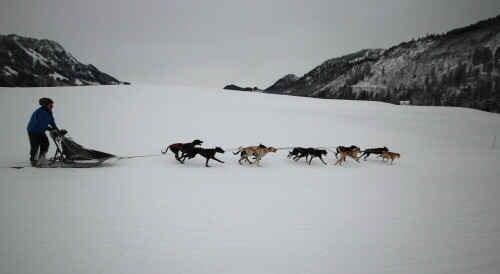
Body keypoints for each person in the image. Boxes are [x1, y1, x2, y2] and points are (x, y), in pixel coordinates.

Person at [26, 97, 61, 166]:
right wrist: (49, 129)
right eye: (50, 104)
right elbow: (39, 123)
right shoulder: (40, 112)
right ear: (44, 105)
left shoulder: (49, 112)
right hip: (33, 131)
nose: (52, 106)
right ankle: (33, 160)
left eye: (52, 104)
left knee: (45, 143)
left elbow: (51, 121)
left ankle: (41, 158)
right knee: (35, 145)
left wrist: (55, 128)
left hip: (41, 131)